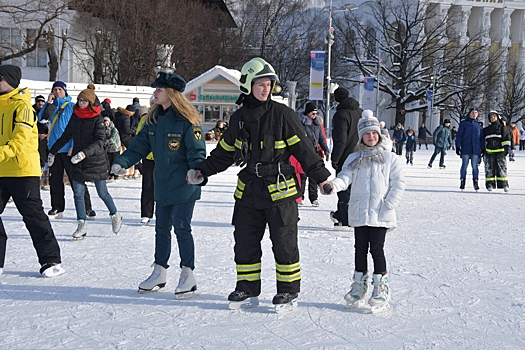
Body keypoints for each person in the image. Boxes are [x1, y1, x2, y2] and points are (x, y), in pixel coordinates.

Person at [187, 57, 331, 311]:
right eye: (260, 84)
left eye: (269, 84)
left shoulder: (283, 115)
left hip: (281, 193)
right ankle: (247, 287)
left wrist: (321, 178)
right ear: (248, 85)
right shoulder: (239, 118)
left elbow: (304, 150)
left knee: (285, 245)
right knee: (244, 242)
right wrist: (202, 171)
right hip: (249, 191)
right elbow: (225, 153)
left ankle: (287, 291)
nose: (266, 89)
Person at [111, 71, 206, 299]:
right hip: (162, 184)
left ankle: (188, 274)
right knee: (161, 229)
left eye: (159, 90)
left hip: (184, 184)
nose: (154, 93)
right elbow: (138, 147)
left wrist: (196, 171)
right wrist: (122, 162)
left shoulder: (187, 122)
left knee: (182, 228)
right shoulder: (154, 120)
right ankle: (159, 271)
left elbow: (197, 151)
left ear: (171, 94)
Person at [321, 110, 405, 312]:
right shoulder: (354, 158)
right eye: (366, 134)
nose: (371, 137)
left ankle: (380, 287)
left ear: (379, 134)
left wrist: (390, 203)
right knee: (359, 249)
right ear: (361, 137)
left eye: (374, 133)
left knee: (377, 249)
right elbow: (344, 177)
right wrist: (333, 186)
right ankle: (359, 286)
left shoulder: (389, 158)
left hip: (381, 212)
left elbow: (398, 183)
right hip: (359, 212)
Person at [0, 64, 65, 278]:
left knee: (33, 216)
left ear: (9, 81)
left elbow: (19, 140)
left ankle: (51, 259)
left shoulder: (23, 107)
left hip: (22, 171)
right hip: (1, 169)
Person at [48, 84, 122, 240]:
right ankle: (81, 224)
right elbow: (66, 136)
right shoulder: (75, 116)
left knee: (102, 192)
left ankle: (115, 215)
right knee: (78, 193)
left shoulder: (98, 119)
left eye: (84, 101)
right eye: (80, 100)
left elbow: (100, 141)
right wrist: (53, 151)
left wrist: (83, 153)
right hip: (78, 161)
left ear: (90, 103)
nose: (81, 103)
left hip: (95, 160)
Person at [38, 80, 94, 220]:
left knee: (76, 179)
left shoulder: (70, 107)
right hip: (54, 150)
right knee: (55, 180)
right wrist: (48, 103)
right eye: (55, 90)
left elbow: (77, 127)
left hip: (69, 149)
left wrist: (73, 145)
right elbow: (40, 120)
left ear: (65, 91)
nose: (57, 92)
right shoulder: (51, 107)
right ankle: (57, 207)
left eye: (60, 90)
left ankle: (87, 208)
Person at [330, 87, 362, 228]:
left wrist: (335, 158)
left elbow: (340, 140)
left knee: (344, 189)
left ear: (336, 100)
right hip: (361, 154)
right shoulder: (360, 112)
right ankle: (348, 215)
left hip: (346, 156)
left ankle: (345, 218)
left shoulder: (341, 114)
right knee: (357, 188)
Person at [299, 102, 330, 207]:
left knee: (314, 177)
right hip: (304, 153)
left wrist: (326, 150)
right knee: (302, 176)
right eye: (312, 113)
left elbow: (321, 139)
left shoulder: (317, 124)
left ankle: (314, 198)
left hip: (315, 153)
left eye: (316, 113)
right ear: (307, 113)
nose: (314, 115)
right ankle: (300, 197)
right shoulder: (301, 124)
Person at [455, 108, 484, 191]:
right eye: (473, 112)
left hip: (475, 149)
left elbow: (481, 138)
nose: (474, 114)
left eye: (476, 112)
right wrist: (458, 146)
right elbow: (459, 135)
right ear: (469, 114)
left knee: (475, 166)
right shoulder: (464, 123)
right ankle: (462, 181)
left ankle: (475, 182)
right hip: (466, 147)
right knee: (464, 165)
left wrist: (483, 148)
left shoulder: (479, 125)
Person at [136, 104, 155, 225]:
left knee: (165, 186)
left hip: (164, 158)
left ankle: (168, 214)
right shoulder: (145, 118)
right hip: (148, 158)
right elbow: (139, 137)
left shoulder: (168, 118)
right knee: (148, 186)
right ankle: (146, 214)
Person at [483, 111, 511, 192]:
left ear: (497, 117)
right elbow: (483, 141)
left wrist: (506, 149)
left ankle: (504, 184)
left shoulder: (503, 128)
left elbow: (506, 138)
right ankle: (490, 184)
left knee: (502, 169)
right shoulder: (486, 130)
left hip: (500, 152)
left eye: (494, 116)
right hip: (489, 152)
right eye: (491, 117)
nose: (492, 118)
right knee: (489, 169)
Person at [34, 95, 50, 190]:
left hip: (46, 138)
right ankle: (38, 181)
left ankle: (45, 181)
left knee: (45, 158)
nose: (40, 103)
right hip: (36, 138)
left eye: (42, 102)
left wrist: (47, 134)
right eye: (38, 102)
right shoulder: (32, 111)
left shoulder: (48, 111)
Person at [104, 117, 121, 181]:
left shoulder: (114, 129)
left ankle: (116, 174)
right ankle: (110, 174)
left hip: (115, 148)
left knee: (115, 161)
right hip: (109, 149)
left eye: (107, 123)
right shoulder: (104, 130)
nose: (106, 125)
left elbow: (113, 139)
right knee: (109, 161)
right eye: (105, 123)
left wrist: (104, 142)